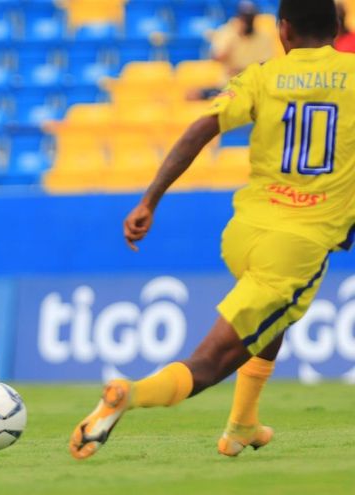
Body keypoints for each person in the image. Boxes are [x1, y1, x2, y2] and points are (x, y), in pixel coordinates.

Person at [70, 0, 354, 460]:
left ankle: (242, 425)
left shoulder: (262, 75)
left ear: (283, 31)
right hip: (296, 245)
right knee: (208, 363)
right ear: (338, 27)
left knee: (274, 315)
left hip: (245, 233)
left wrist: (149, 200)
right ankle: (130, 393)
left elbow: (202, 127)